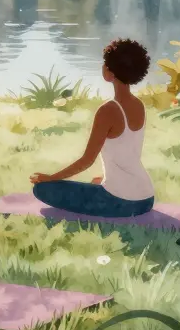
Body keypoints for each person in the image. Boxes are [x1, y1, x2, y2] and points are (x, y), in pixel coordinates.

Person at [30, 39, 156, 218]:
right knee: (94, 183)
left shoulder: (108, 110)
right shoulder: (139, 105)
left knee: (42, 189)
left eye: (105, 64)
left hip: (120, 202)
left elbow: (87, 161)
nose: (103, 66)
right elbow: (127, 155)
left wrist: (51, 178)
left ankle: (104, 189)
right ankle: (107, 185)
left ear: (111, 72)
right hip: (146, 198)